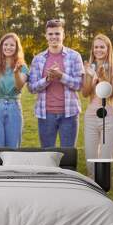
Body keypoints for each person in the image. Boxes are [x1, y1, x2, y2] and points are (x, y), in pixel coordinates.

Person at [28, 19, 84, 148]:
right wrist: (47, 80)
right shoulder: (38, 59)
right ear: (46, 36)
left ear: (63, 35)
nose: (54, 37)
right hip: (46, 114)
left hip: (69, 114)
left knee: (68, 155)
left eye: (57, 34)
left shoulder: (74, 56)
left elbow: (79, 85)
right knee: (47, 156)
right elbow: (31, 88)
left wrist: (61, 76)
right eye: (51, 34)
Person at [82, 34, 113, 178]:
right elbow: (85, 93)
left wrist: (103, 77)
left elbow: (108, 95)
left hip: (108, 119)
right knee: (90, 160)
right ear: (92, 49)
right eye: (96, 47)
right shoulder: (89, 67)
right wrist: (90, 78)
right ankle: (92, 191)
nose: (98, 50)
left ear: (108, 49)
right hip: (91, 118)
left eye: (102, 47)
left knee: (105, 161)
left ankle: (103, 191)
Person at [0, 33, 28, 148]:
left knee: (13, 147)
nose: (8, 47)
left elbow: (19, 87)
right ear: (1, 46)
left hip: (14, 107)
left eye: (12, 45)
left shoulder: (22, 66)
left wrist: (16, 74)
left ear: (16, 48)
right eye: (6, 44)